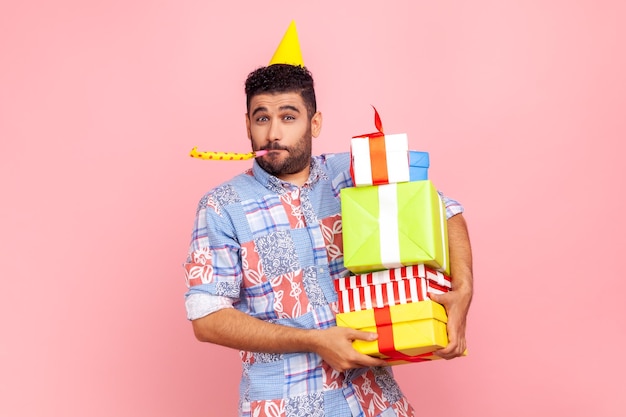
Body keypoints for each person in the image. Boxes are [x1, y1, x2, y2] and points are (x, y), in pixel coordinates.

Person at [183, 24, 473, 417]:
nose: (273, 133)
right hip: (285, 405)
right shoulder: (221, 206)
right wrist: (315, 340)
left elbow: (444, 208)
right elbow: (207, 316)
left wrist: (463, 292)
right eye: (261, 118)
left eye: (288, 117)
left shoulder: (353, 173)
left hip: (376, 402)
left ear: (314, 123)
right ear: (247, 124)